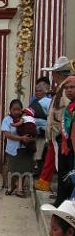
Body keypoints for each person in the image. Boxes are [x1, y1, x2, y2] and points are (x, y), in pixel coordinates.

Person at [35, 58, 73, 192]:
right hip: (57, 132)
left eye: (54, 74)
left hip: (60, 132)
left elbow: (67, 111)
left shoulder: (65, 89)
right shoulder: (62, 88)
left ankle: (62, 193)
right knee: (57, 162)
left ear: (58, 74)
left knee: (60, 164)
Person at [1, 99, 34, 198]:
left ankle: (19, 189)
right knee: (13, 169)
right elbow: (7, 134)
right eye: (14, 109)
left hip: (25, 148)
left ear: (21, 110)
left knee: (23, 169)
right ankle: (12, 187)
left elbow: (31, 128)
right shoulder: (7, 120)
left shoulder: (26, 118)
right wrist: (21, 138)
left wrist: (30, 138)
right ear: (10, 110)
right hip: (13, 149)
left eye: (18, 109)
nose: (16, 112)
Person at [53, 75, 75, 206]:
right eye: (66, 88)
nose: (69, 90)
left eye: (72, 87)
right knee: (65, 175)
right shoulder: (70, 106)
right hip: (67, 146)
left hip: (72, 147)